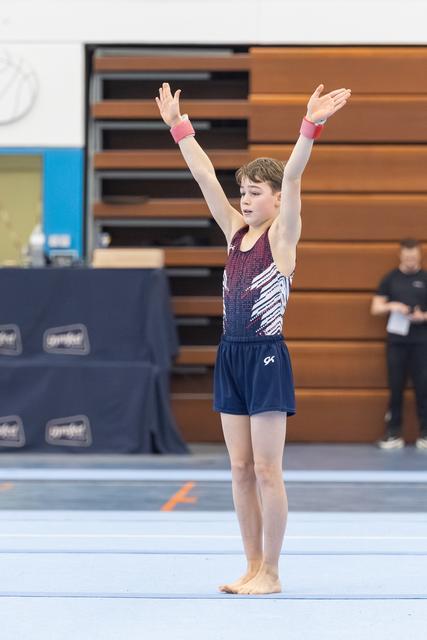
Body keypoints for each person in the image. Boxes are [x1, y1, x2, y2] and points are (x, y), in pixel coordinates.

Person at [156, 81, 351, 595]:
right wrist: (180, 129)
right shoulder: (234, 233)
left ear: (278, 200)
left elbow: (293, 171)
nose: (244, 199)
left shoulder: (284, 237)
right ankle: (250, 565)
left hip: (265, 355)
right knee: (240, 469)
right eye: (242, 192)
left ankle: (274, 571)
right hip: (231, 355)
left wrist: (310, 125)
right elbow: (203, 178)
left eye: (254, 192)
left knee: (267, 470)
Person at [371, 239, 427, 450]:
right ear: (401, 255)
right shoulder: (391, 279)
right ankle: (393, 433)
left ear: (419, 256)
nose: (411, 259)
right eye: (407, 255)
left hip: (422, 343)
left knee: (424, 388)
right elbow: (375, 307)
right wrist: (393, 305)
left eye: (414, 256)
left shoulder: (425, 278)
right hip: (397, 343)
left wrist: (423, 316)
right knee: (395, 387)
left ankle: (425, 434)